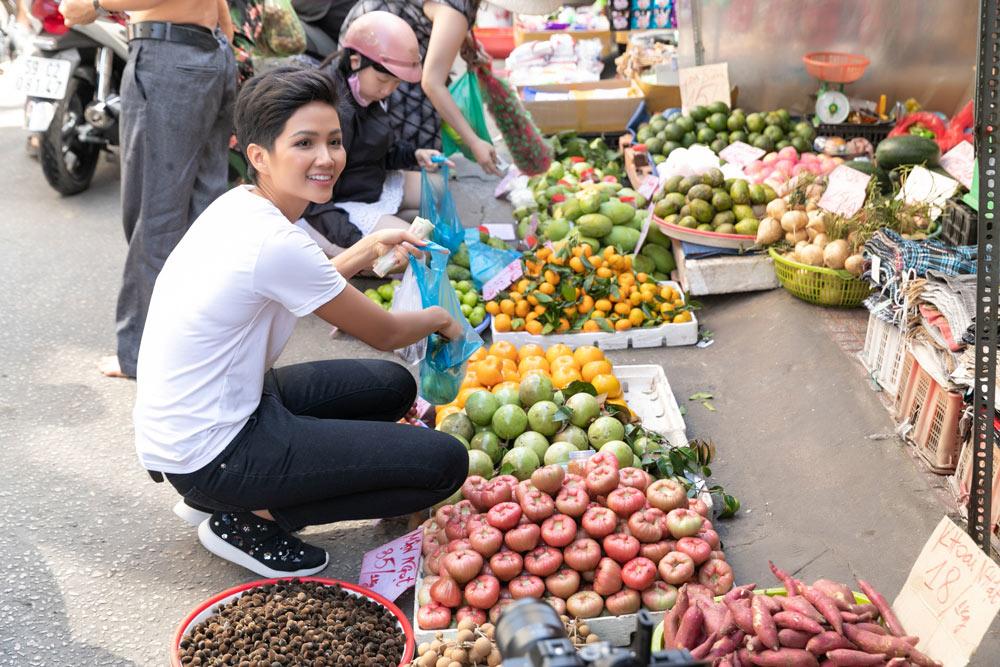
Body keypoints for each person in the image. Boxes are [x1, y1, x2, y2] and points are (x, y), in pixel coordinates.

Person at [132, 66, 469, 577]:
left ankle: (234, 491)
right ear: (259, 156)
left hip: (209, 417)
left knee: (392, 387)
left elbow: (309, 280)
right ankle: (249, 517)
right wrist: (444, 318)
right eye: (304, 143)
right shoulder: (275, 241)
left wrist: (368, 246)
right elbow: (387, 332)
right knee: (443, 464)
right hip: (213, 450)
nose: (326, 158)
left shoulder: (240, 205)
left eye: (334, 141)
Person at [59, 0, 237, 380]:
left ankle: (142, 354)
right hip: (209, 51)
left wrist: (95, 4)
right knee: (203, 210)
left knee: (156, 215)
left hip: (170, 56)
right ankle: (202, 345)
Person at [338, 0, 561, 178]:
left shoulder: (459, 9)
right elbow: (431, 83)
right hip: (375, 46)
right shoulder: (456, 9)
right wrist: (474, 142)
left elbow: (437, 15)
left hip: (376, 31)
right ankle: (387, 189)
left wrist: (463, 39)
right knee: (413, 124)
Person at [302, 10, 452, 255]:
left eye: (396, 83)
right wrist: (357, 243)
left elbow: (378, 149)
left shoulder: (364, 91)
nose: (388, 90)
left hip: (366, 183)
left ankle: (393, 219)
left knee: (438, 190)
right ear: (355, 61)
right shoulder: (330, 109)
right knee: (413, 252)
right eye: (383, 81)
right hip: (331, 207)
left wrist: (414, 155)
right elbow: (311, 197)